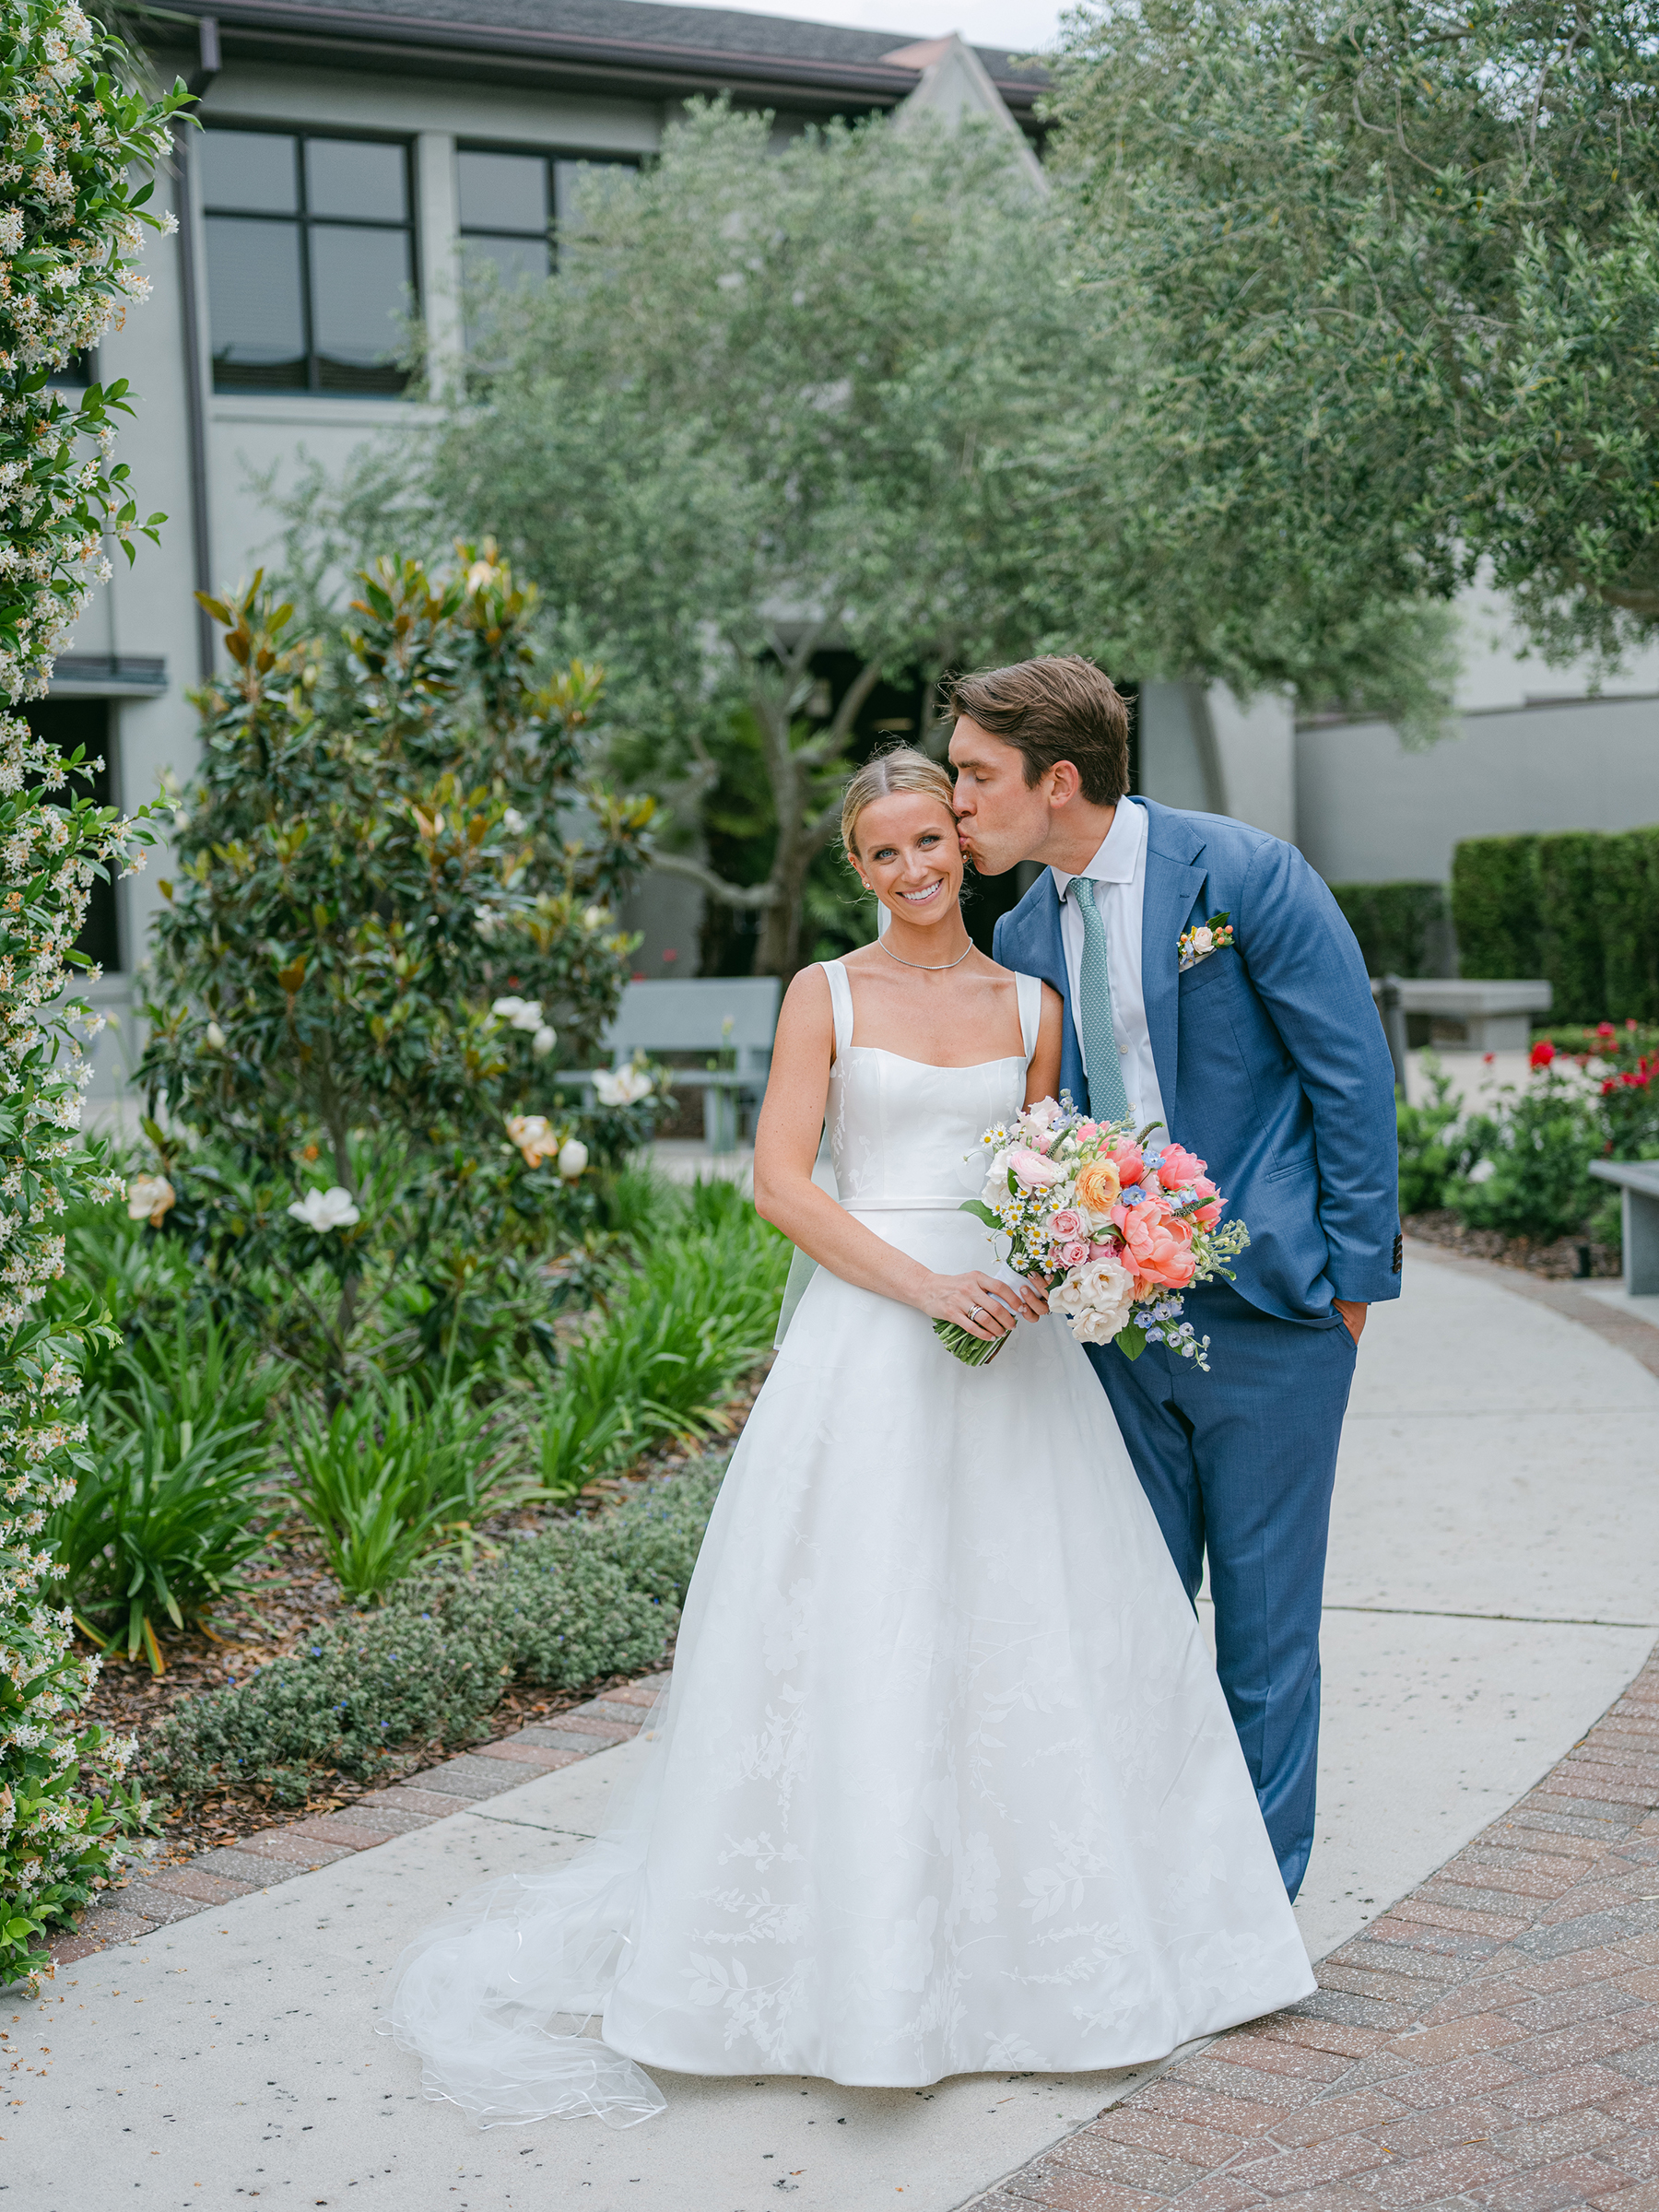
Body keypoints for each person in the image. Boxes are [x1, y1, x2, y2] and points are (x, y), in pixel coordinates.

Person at [384, 746, 1314, 2131]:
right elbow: (781, 1183)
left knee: (1027, 1628)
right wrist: (925, 1286)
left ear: (963, 841)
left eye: (932, 839)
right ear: (859, 866)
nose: (915, 868)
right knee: (862, 1627)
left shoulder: (1033, 1004)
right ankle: (852, 1969)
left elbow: (1045, 1170)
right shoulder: (823, 993)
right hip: (872, 1341)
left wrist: (1065, 1256)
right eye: (885, 852)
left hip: (1013, 1351)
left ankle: (1048, 1957)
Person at [955, 658, 1402, 1900]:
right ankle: (1155, 1895)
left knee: (1266, 1633)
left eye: (976, 775)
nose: (957, 801)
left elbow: (1351, 1079)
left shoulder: (1247, 876)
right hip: (1115, 1330)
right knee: (1133, 1617)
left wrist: (1351, 1290)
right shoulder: (1023, 930)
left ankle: (1256, 1904)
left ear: (1057, 780)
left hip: (1274, 1312)